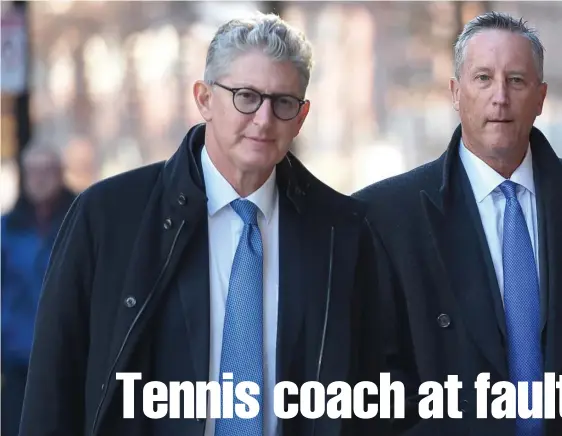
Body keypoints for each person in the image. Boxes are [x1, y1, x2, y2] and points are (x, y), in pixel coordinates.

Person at [20, 12, 384, 436]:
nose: (264, 120)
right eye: (246, 96)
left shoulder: (342, 232)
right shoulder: (107, 218)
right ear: (205, 99)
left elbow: (368, 394)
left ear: (301, 117)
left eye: (283, 102)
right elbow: (53, 384)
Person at [354, 11, 562, 436]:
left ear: (540, 97)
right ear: (456, 93)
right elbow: (373, 375)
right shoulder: (386, 215)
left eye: (516, 80)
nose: (500, 96)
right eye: (483, 78)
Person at [1, 142, 76, 436]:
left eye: (47, 170)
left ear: (60, 173)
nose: (40, 177)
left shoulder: (81, 220)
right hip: (19, 357)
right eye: (33, 170)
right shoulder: (7, 228)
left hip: (68, 354)